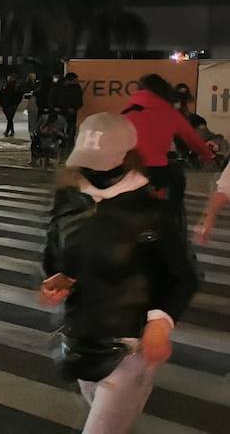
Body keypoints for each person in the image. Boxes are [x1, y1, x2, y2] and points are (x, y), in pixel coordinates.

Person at [40, 112, 199, 433]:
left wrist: (159, 322)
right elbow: (54, 257)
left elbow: (183, 275)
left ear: (127, 157)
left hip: (130, 348)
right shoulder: (69, 202)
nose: (94, 171)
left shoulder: (151, 211)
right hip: (81, 342)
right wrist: (58, 278)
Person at [121, 74, 212, 222]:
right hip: (157, 169)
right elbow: (192, 139)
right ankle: (173, 218)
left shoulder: (126, 111)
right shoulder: (170, 113)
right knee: (177, 178)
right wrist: (207, 155)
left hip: (128, 166)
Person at [52, 72, 85, 151]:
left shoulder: (76, 88)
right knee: (60, 128)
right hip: (60, 111)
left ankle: (69, 144)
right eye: (75, 80)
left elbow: (79, 100)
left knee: (71, 128)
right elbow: (53, 98)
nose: (77, 81)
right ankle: (61, 144)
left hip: (71, 112)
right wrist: (55, 107)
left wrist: (74, 107)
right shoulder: (58, 87)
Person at [0, 74, 22, 138]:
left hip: (11, 105)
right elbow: (1, 95)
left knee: (9, 118)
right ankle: (11, 130)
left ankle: (8, 131)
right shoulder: (5, 86)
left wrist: (16, 103)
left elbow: (19, 96)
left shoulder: (16, 87)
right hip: (6, 105)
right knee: (9, 118)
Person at [21, 72, 41, 137]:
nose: (34, 77)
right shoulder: (27, 84)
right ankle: (32, 130)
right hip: (30, 100)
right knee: (32, 117)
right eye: (33, 76)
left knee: (36, 117)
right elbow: (25, 91)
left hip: (35, 100)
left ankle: (35, 129)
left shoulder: (37, 83)